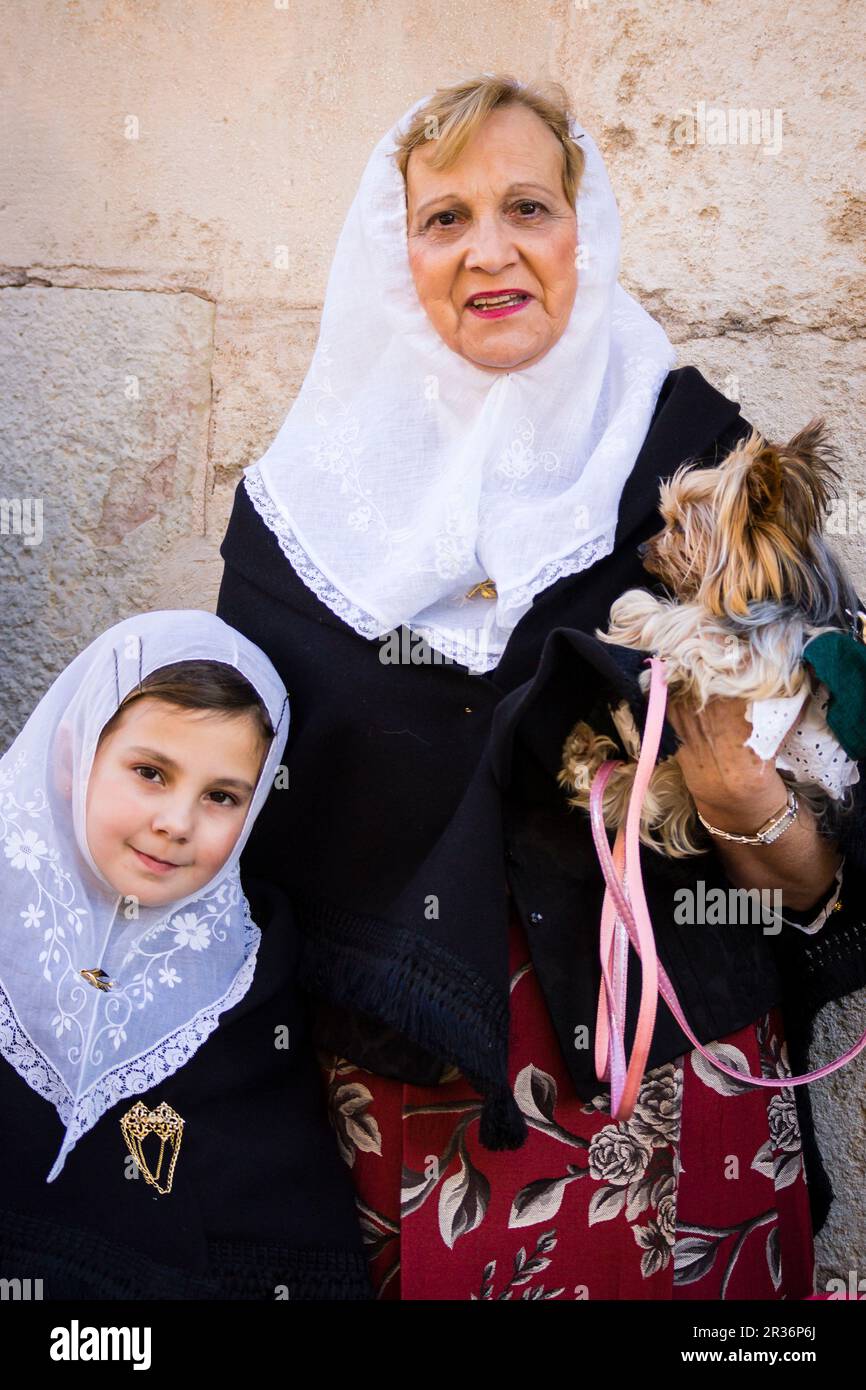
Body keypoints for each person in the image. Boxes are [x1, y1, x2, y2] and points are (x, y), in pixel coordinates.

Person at [216, 74, 866, 1299]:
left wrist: (737, 797)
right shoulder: (297, 514)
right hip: (404, 1104)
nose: (490, 251)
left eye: (528, 206)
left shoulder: (697, 464)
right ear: (389, 247)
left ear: (586, 227)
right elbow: (244, 845)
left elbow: (822, 873)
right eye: (442, 218)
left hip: (667, 1087)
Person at [0, 610, 371, 1299]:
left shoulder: (244, 973)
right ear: (71, 758)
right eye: (149, 772)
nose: (176, 823)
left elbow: (268, 1199)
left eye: (222, 796)